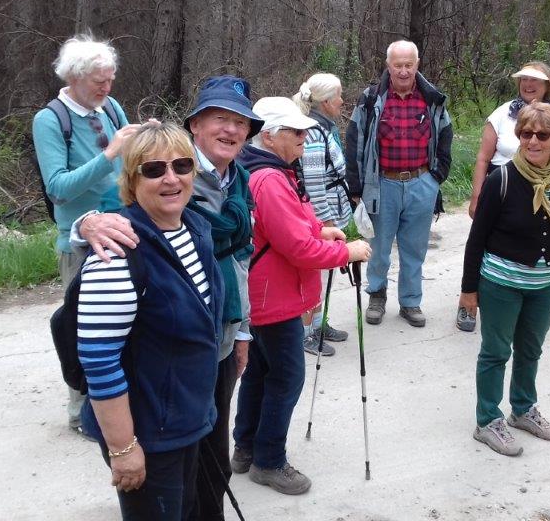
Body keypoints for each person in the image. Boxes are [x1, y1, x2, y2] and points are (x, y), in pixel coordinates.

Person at [77, 76, 263, 521]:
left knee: (200, 501)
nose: (171, 177)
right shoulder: (119, 250)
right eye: (154, 170)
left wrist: (242, 332)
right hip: (151, 429)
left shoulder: (195, 227)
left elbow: (233, 274)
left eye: (181, 167)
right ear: (132, 178)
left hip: (192, 414)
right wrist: (124, 449)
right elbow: (99, 359)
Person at [232, 97, 371, 494]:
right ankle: (269, 460)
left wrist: (320, 230)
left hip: (261, 292)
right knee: (288, 375)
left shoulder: (262, 168)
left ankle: (245, 447)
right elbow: (299, 249)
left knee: (260, 370)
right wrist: (347, 251)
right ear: (271, 135)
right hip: (273, 297)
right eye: (295, 132)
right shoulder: (270, 179)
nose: (304, 138)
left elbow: (293, 226)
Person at [459, 102, 550, 457]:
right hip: (501, 282)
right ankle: (487, 421)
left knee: (531, 349)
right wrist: (469, 291)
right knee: (496, 351)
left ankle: (524, 409)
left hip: (543, 284)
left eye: (542, 135)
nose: (532, 141)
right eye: (526, 133)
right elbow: (476, 239)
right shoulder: (503, 179)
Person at [32, 35, 140, 435]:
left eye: (110, 80)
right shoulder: (50, 120)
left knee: (125, 322)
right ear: (75, 77)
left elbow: (127, 161)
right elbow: (58, 187)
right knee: (83, 326)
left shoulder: (110, 107)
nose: (107, 89)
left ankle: (117, 402)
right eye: (99, 81)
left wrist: (140, 141)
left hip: (124, 231)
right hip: (80, 240)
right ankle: (81, 411)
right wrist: (110, 154)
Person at [345, 39, 453, 328]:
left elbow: (445, 136)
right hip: (382, 185)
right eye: (398, 65)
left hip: (421, 184)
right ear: (388, 66)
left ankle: (410, 302)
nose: (404, 71)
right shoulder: (370, 99)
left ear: (417, 65)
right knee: (378, 248)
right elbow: (355, 141)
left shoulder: (432, 99)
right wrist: (356, 189)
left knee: (414, 249)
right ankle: (377, 296)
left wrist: (436, 177)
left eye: (409, 65)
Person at [467, 61, 550, 217]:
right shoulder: (502, 113)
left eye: (534, 79)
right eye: (524, 79)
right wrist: (477, 197)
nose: (528, 84)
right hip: (502, 186)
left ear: (547, 85)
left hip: (543, 188)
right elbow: (483, 158)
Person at [293, 73, 352, 356]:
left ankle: (318, 323)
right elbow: (315, 184)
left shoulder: (320, 127)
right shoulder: (315, 133)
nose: (342, 101)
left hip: (329, 211)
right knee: (315, 274)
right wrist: (325, 223)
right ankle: (306, 332)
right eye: (339, 96)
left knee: (324, 275)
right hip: (322, 216)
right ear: (326, 101)